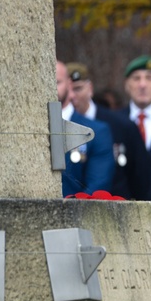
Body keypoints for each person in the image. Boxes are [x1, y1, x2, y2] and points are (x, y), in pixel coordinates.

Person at [67, 62, 151, 200]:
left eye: (77, 89)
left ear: (90, 89)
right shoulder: (60, 126)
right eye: (68, 89)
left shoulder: (120, 124)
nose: (72, 96)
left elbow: (140, 176)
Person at [56, 61, 115, 198]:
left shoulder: (95, 131)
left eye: (57, 82)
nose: (51, 88)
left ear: (69, 85)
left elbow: (97, 186)